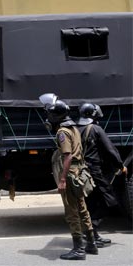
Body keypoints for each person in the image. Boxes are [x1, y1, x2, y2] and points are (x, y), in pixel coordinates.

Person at [43, 96, 97, 260]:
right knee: (82, 208)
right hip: (79, 172)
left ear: (57, 115)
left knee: (71, 211)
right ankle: (91, 243)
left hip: (71, 173)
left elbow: (67, 156)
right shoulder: (74, 128)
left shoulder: (63, 132)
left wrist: (63, 180)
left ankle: (78, 249)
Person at [77, 103, 127, 247]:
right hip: (94, 172)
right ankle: (90, 230)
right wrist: (120, 165)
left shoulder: (75, 129)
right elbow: (110, 150)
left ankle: (93, 235)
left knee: (91, 203)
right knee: (109, 201)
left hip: (81, 172)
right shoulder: (96, 129)